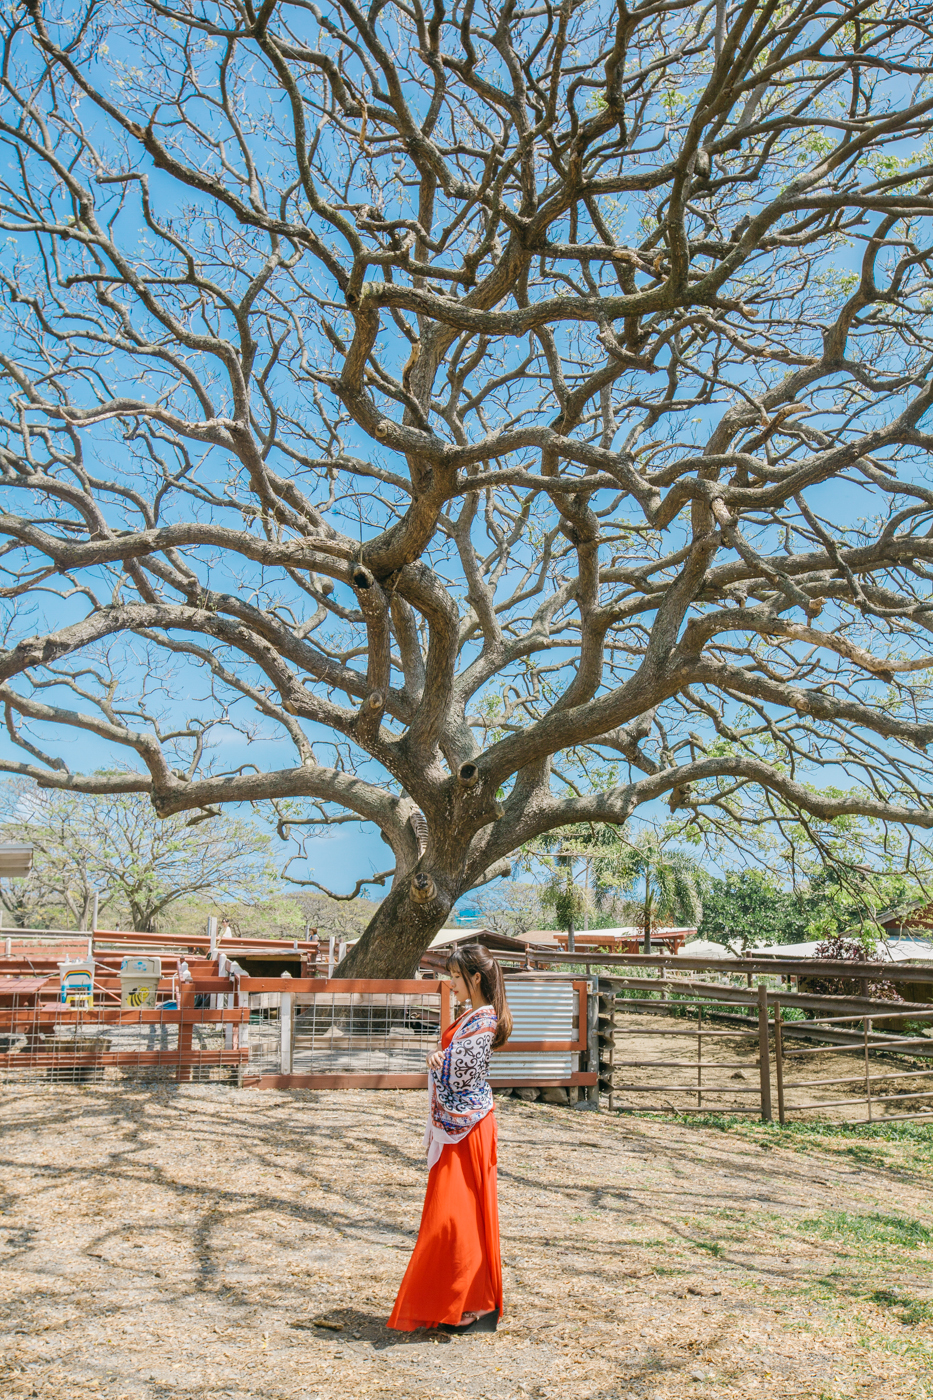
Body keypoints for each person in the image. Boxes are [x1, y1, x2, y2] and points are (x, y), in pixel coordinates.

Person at [387, 942, 513, 1334]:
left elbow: (459, 1079)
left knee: (456, 1216)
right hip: (462, 1126)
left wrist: (435, 1061)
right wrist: (437, 1059)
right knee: (455, 1215)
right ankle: (461, 1302)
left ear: (475, 978)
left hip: (467, 1128)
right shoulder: (472, 1017)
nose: (451, 982)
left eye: (456, 977)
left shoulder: (483, 1020)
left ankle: (470, 1302)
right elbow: (456, 1068)